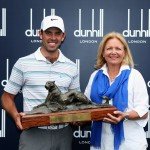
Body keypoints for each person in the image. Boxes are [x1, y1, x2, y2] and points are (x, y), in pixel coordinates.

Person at [1, 15, 80, 150]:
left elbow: (74, 101)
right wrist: (15, 116)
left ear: (63, 36)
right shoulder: (23, 63)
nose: (53, 38)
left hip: (64, 134)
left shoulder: (72, 67)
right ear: (40, 34)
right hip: (33, 133)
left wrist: (77, 117)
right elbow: (6, 97)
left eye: (57, 33)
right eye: (48, 33)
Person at [84, 32, 149, 150]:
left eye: (118, 48)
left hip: (130, 144)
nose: (113, 52)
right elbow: (86, 105)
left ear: (124, 53)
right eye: (109, 48)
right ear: (103, 53)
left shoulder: (134, 75)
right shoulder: (95, 76)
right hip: (101, 144)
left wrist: (125, 115)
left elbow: (143, 111)